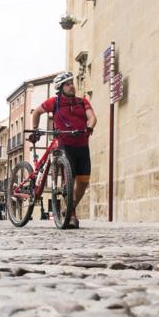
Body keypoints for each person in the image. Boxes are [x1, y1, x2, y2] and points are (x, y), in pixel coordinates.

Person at [28, 71, 97, 229]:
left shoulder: (82, 102)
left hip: (82, 146)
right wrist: (35, 129)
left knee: (83, 182)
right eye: (67, 84)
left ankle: (68, 209)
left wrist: (89, 127)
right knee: (69, 179)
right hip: (64, 145)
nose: (72, 86)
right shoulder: (54, 102)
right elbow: (37, 112)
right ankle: (71, 215)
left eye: (72, 83)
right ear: (60, 87)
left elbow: (92, 117)